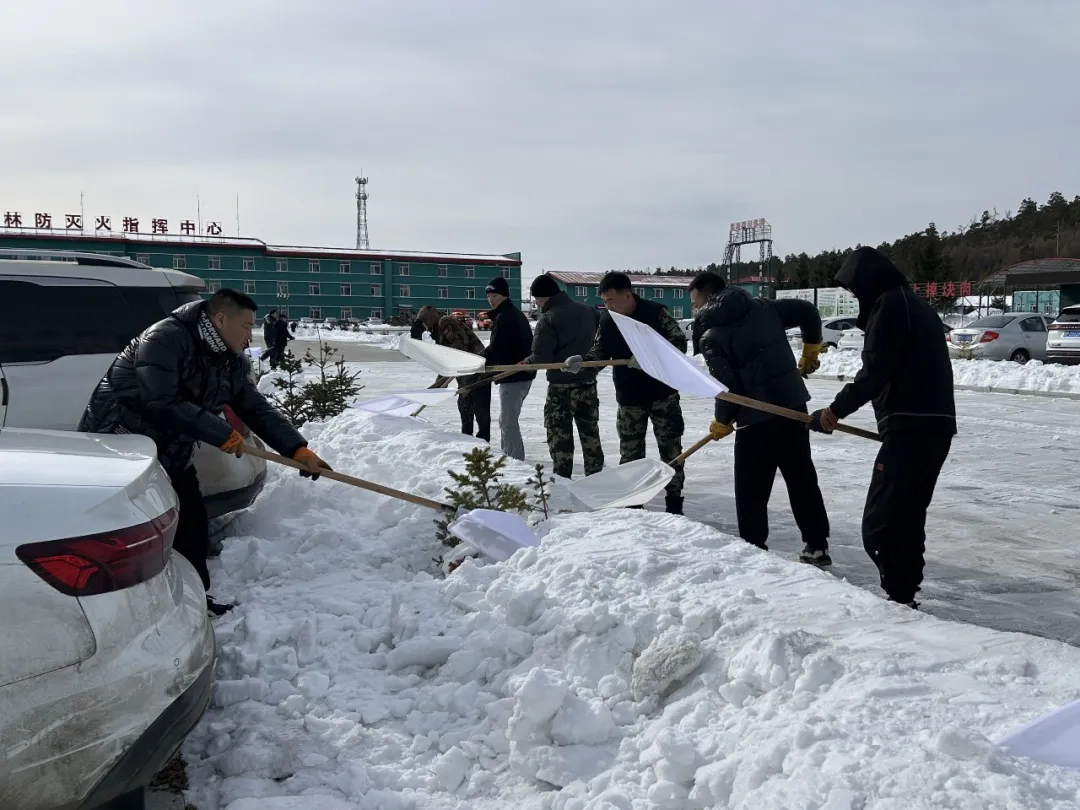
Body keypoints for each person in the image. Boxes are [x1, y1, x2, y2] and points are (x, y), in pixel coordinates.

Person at [78, 289, 331, 615]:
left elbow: (254, 407)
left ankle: (195, 602)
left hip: (172, 450)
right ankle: (124, 611)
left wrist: (297, 449)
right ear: (221, 319)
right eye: (246, 327)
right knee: (129, 535)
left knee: (192, 527)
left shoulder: (230, 359)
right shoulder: (164, 339)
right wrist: (220, 433)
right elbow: (162, 402)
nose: (250, 337)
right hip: (123, 449)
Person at [808, 247, 956, 608]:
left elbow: (875, 371)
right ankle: (904, 596)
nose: (855, 297)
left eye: (854, 289)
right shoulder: (915, 304)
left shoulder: (890, 305)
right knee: (907, 517)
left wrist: (834, 411)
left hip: (910, 429)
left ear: (868, 282)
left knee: (881, 523)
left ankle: (899, 597)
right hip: (934, 428)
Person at [690, 271, 831, 565]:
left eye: (695, 302)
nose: (695, 309)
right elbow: (807, 311)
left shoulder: (711, 336)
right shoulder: (763, 306)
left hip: (755, 419)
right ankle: (817, 546)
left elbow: (728, 387)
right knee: (801, 478)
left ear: (708, 297)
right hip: (792, 407)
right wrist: (811, 349)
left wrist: (722, 421)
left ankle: (754, 550)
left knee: (751, 488)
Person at [563, 272, 688, 514]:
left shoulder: (655, 313)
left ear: (627, 295)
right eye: (604, 301)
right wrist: (584, 362)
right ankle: (633, 505)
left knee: (670, 451)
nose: (607, 305)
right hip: (629, 398)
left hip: (663, 395)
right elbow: (600, 352)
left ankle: (674, 503)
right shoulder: (608, 321)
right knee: (631, 455)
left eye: (611, 300)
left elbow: (679, 343)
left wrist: (649, 356)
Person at [525, 273, 603, 479]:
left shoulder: (548, 318)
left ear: (544, 297)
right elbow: (601, 346)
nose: (536, 303)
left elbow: (542, 357)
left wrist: (525, 363)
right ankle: (597, 479)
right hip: (588, 384)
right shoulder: (589, 311)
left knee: (560, 439)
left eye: (536, 299)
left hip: (561, 389)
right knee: (590, 435)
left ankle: (562, 482)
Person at [416, 304, 491, 442]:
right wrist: (440, 382)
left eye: (425, 322)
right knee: (465, 409)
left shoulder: (445, 322)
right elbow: (447, 358)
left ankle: (482, 447)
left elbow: (457, 350)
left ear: (430, 319)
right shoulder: (438, 329)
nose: (425, 326)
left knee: (480, 411)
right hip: (466, 374)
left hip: (477, 373)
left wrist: (442, 380)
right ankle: (468, 443)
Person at [482, 276, 536, 460]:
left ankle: (514, 461)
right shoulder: (510, 314)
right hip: (518, 374)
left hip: (514, 375)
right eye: (489, 296)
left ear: (504, 295)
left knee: (507, 422)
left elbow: (496, 349)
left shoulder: (505, 317)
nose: (491, 300)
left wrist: (476, 360)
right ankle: (510, 457)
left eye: (495, 296)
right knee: (506, 420)